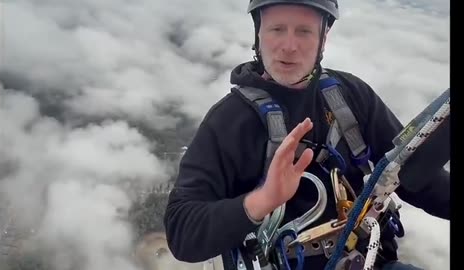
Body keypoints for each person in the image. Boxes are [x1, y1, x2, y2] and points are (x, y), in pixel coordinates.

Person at [163, 0, 450, 269]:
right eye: (277, 29)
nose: (289, 46)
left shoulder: (350, 98)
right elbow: (183, 232)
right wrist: (262, 201)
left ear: (322, 39)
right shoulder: (229, 122)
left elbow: (413, 177)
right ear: (259, 35)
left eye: (304, 32)